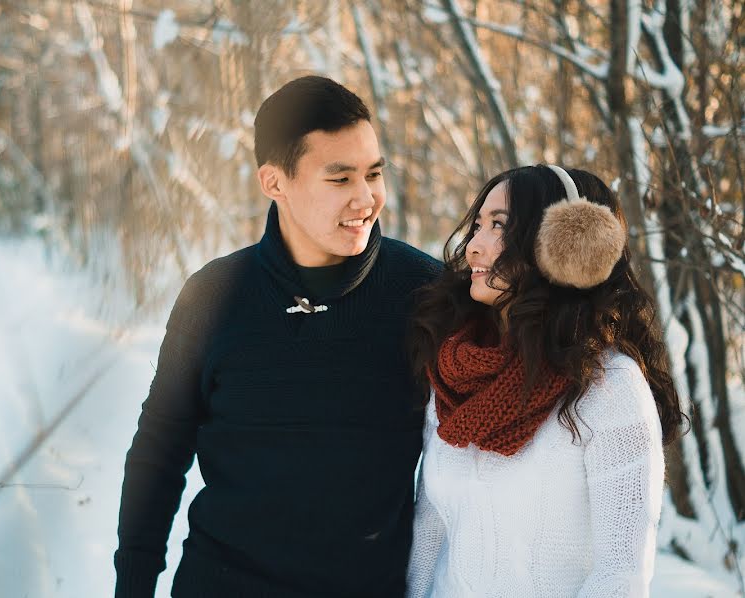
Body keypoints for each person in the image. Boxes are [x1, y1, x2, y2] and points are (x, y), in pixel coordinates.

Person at [114, 75, 442, 597]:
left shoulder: (426, 294)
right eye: (339, 179)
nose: (366, 199)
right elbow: (159, 450)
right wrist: (132, 585)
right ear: (274, 183)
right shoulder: (215, 298)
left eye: (374, 174)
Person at [406, 165, 686, 597]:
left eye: (498, 226)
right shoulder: (455, 374)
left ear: (563, 245)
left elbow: (621, 576)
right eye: (477, 225)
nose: (474, 246)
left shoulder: (608, 388)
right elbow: (430, 526)